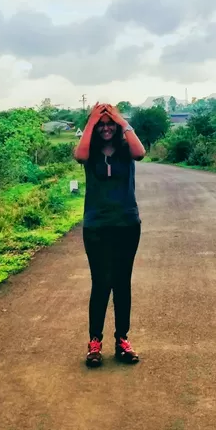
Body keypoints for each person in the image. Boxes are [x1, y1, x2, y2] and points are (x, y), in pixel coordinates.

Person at [74, 103, 147, 368]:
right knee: (101, 283)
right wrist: (93, 120)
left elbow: (141, 153)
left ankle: (122, 340)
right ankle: (95, 342)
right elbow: (79, 156)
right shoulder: (90, 151)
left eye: (109, 124)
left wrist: (120, 118)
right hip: (97, 225)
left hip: (127, 223)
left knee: (122, 282)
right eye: (101, 124)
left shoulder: (127, 148)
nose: (106, 128)